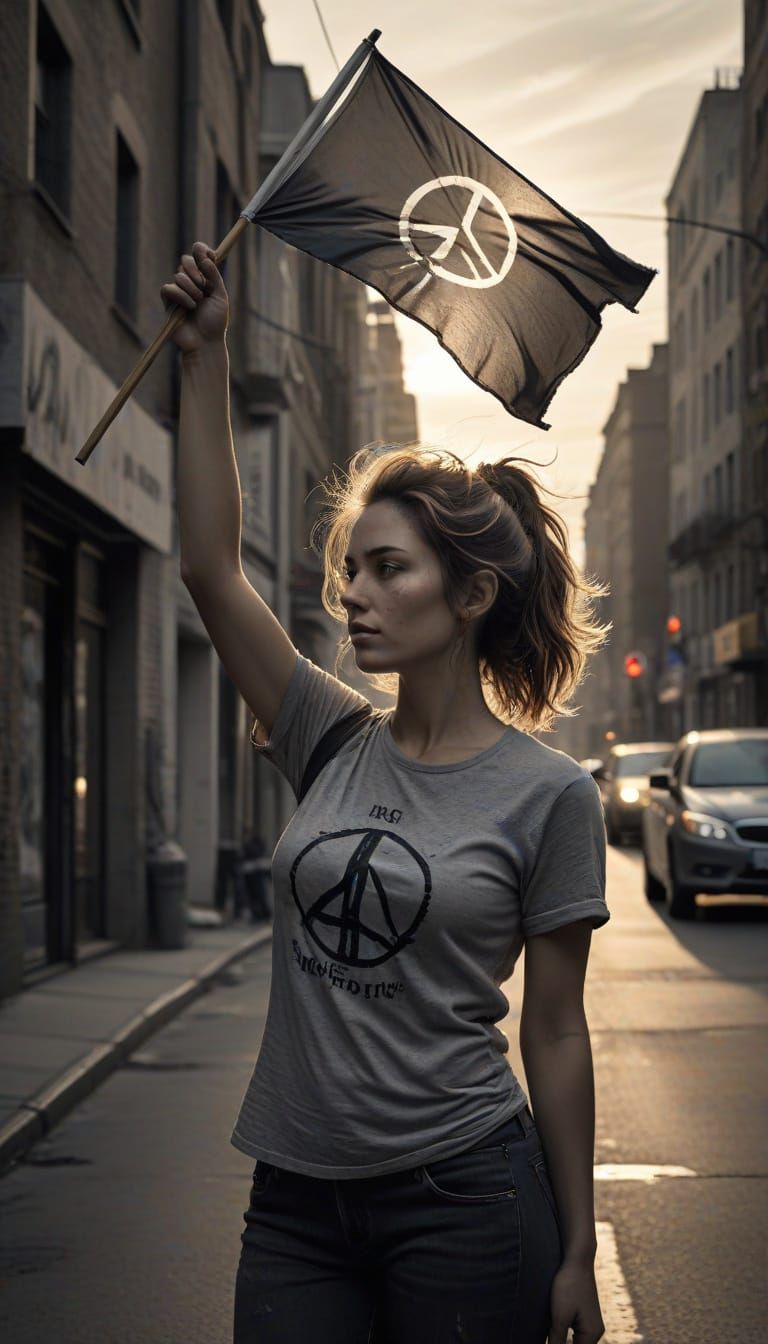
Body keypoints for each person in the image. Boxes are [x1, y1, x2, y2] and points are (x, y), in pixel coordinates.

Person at [162, 240, 611, 1344]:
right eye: (351, 568)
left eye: (388, 569)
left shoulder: (549, 797)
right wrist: (206, 355)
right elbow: (211, 567)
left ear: (470, 594)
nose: (354, 594)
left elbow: (555, 1033)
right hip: (297, 1203)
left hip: (467, 1196)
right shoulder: (327, 733)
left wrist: (580, 1245)